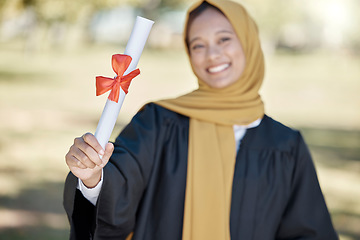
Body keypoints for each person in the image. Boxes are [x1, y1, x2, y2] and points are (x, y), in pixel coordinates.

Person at [63, 0, 339, 239]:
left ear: (249, 41)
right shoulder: (159, 122)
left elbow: (308, 232)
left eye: (224, 39)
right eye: (198, 45)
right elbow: (118, 190)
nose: (212, 54)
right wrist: (92, 176)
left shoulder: (286, 146)